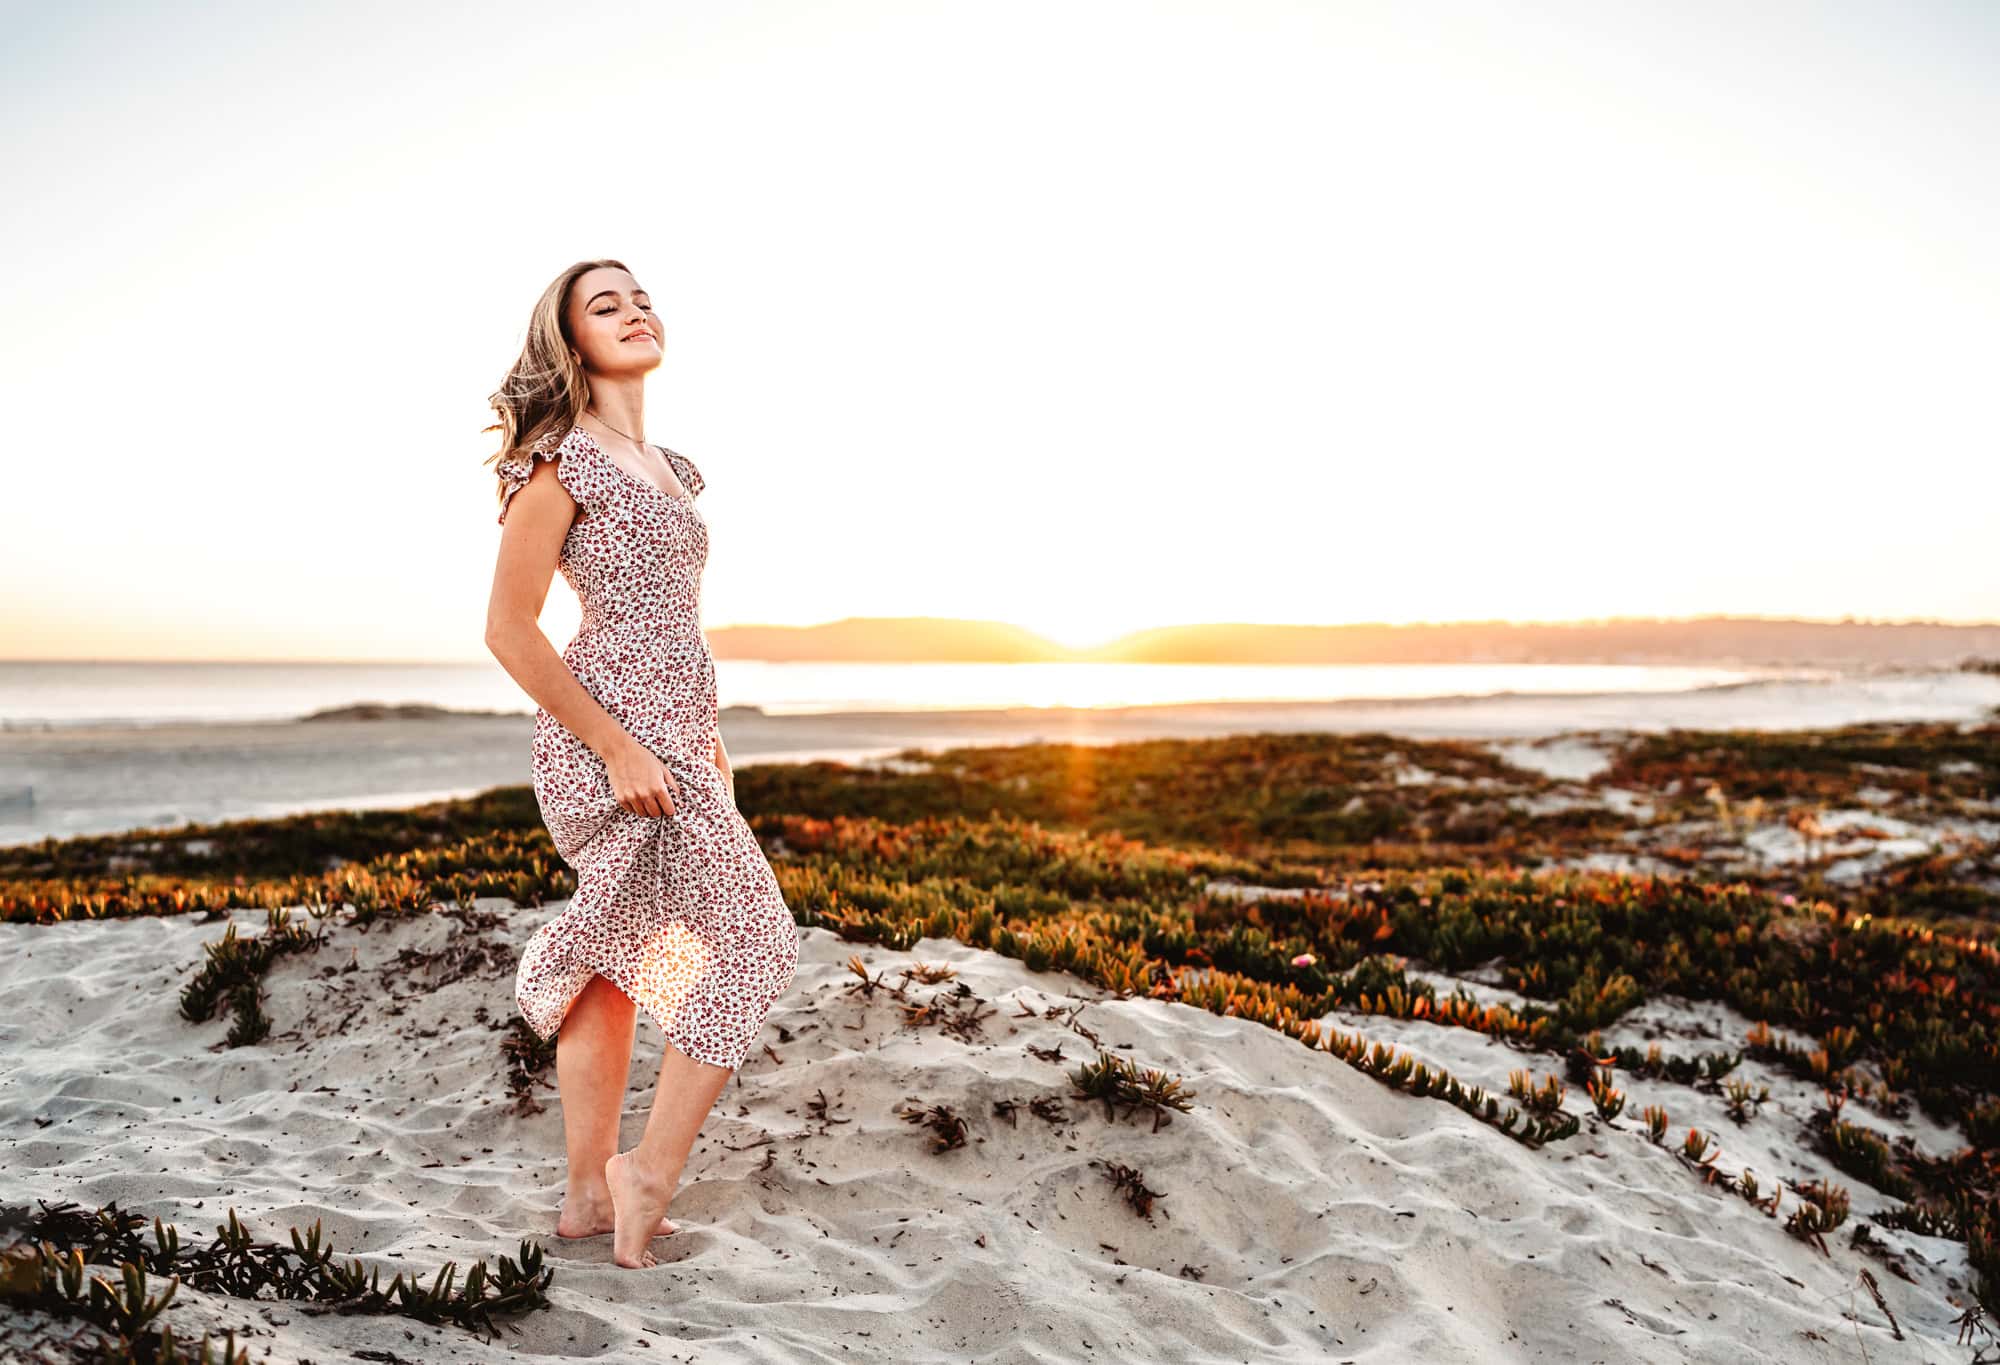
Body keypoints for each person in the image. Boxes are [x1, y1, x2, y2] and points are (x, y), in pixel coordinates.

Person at [482, 258, 800, 1269]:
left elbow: (676, 625)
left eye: (643, 297)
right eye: (604, 305)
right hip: (605, 734)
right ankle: (646, 1171)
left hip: (680, 733)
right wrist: (614, 744)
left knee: (630, 954)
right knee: (756, 939)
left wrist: (711, 748)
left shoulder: (671, 464)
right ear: (571, 341)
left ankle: (584, 1192)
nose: (634, 313)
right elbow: (509, 629)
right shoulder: (556, 461)